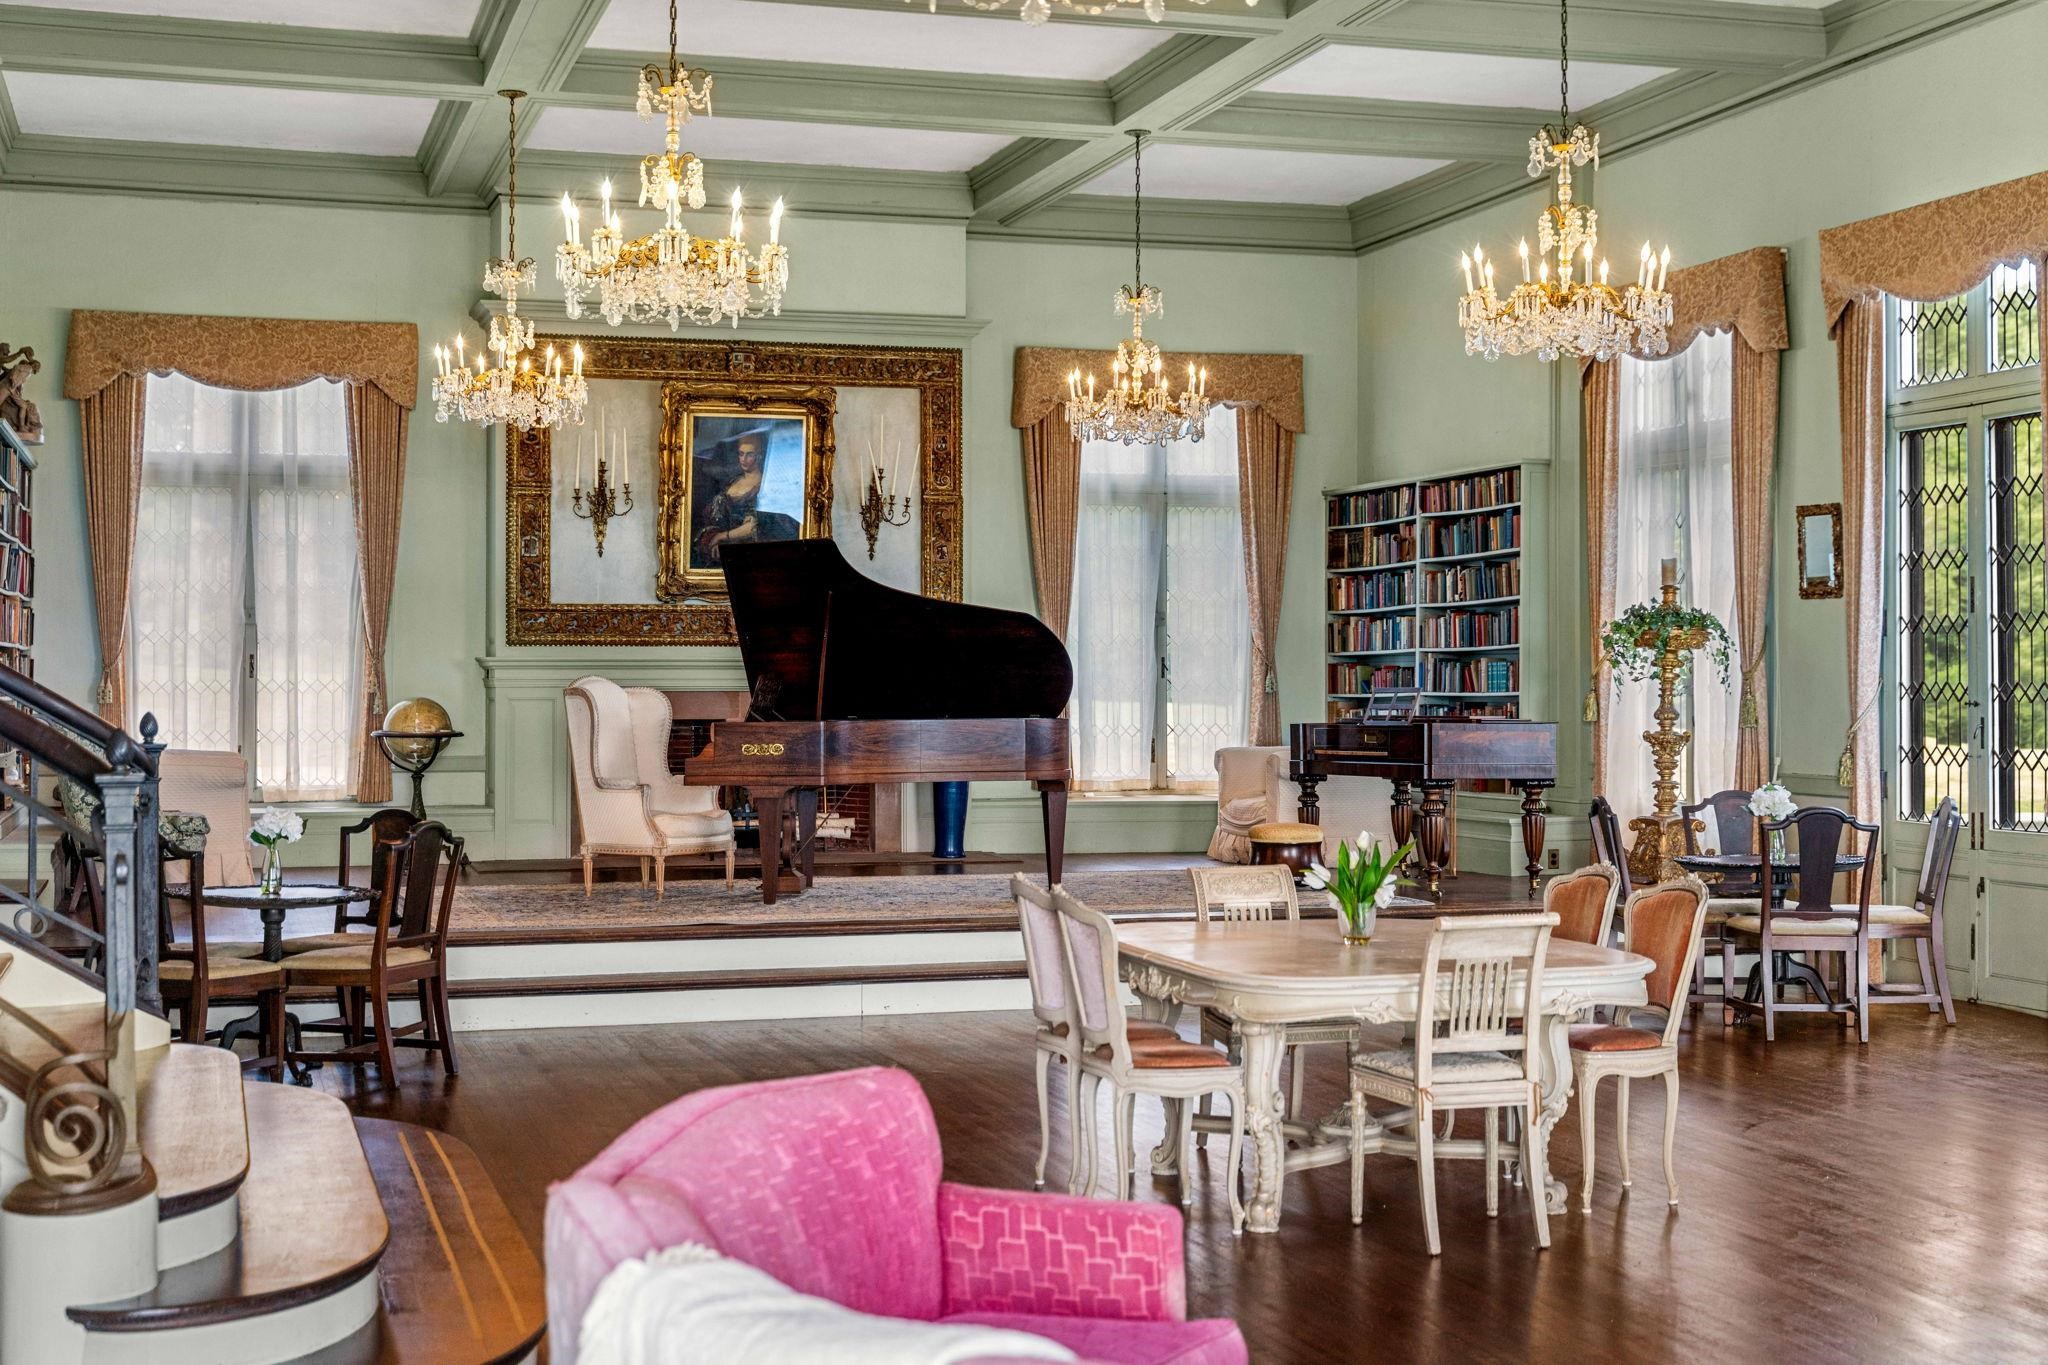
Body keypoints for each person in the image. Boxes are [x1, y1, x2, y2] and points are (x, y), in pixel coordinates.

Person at [694, 430, 799, 566]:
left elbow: (757, 526)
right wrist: (716, 539)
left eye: (749, 454)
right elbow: (714, 517)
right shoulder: (732, 482)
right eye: (741, 454)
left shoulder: (766, 486)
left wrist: (722, 536)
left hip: (749, 553)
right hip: (722, 549)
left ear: (759, 456)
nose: (743, 459)